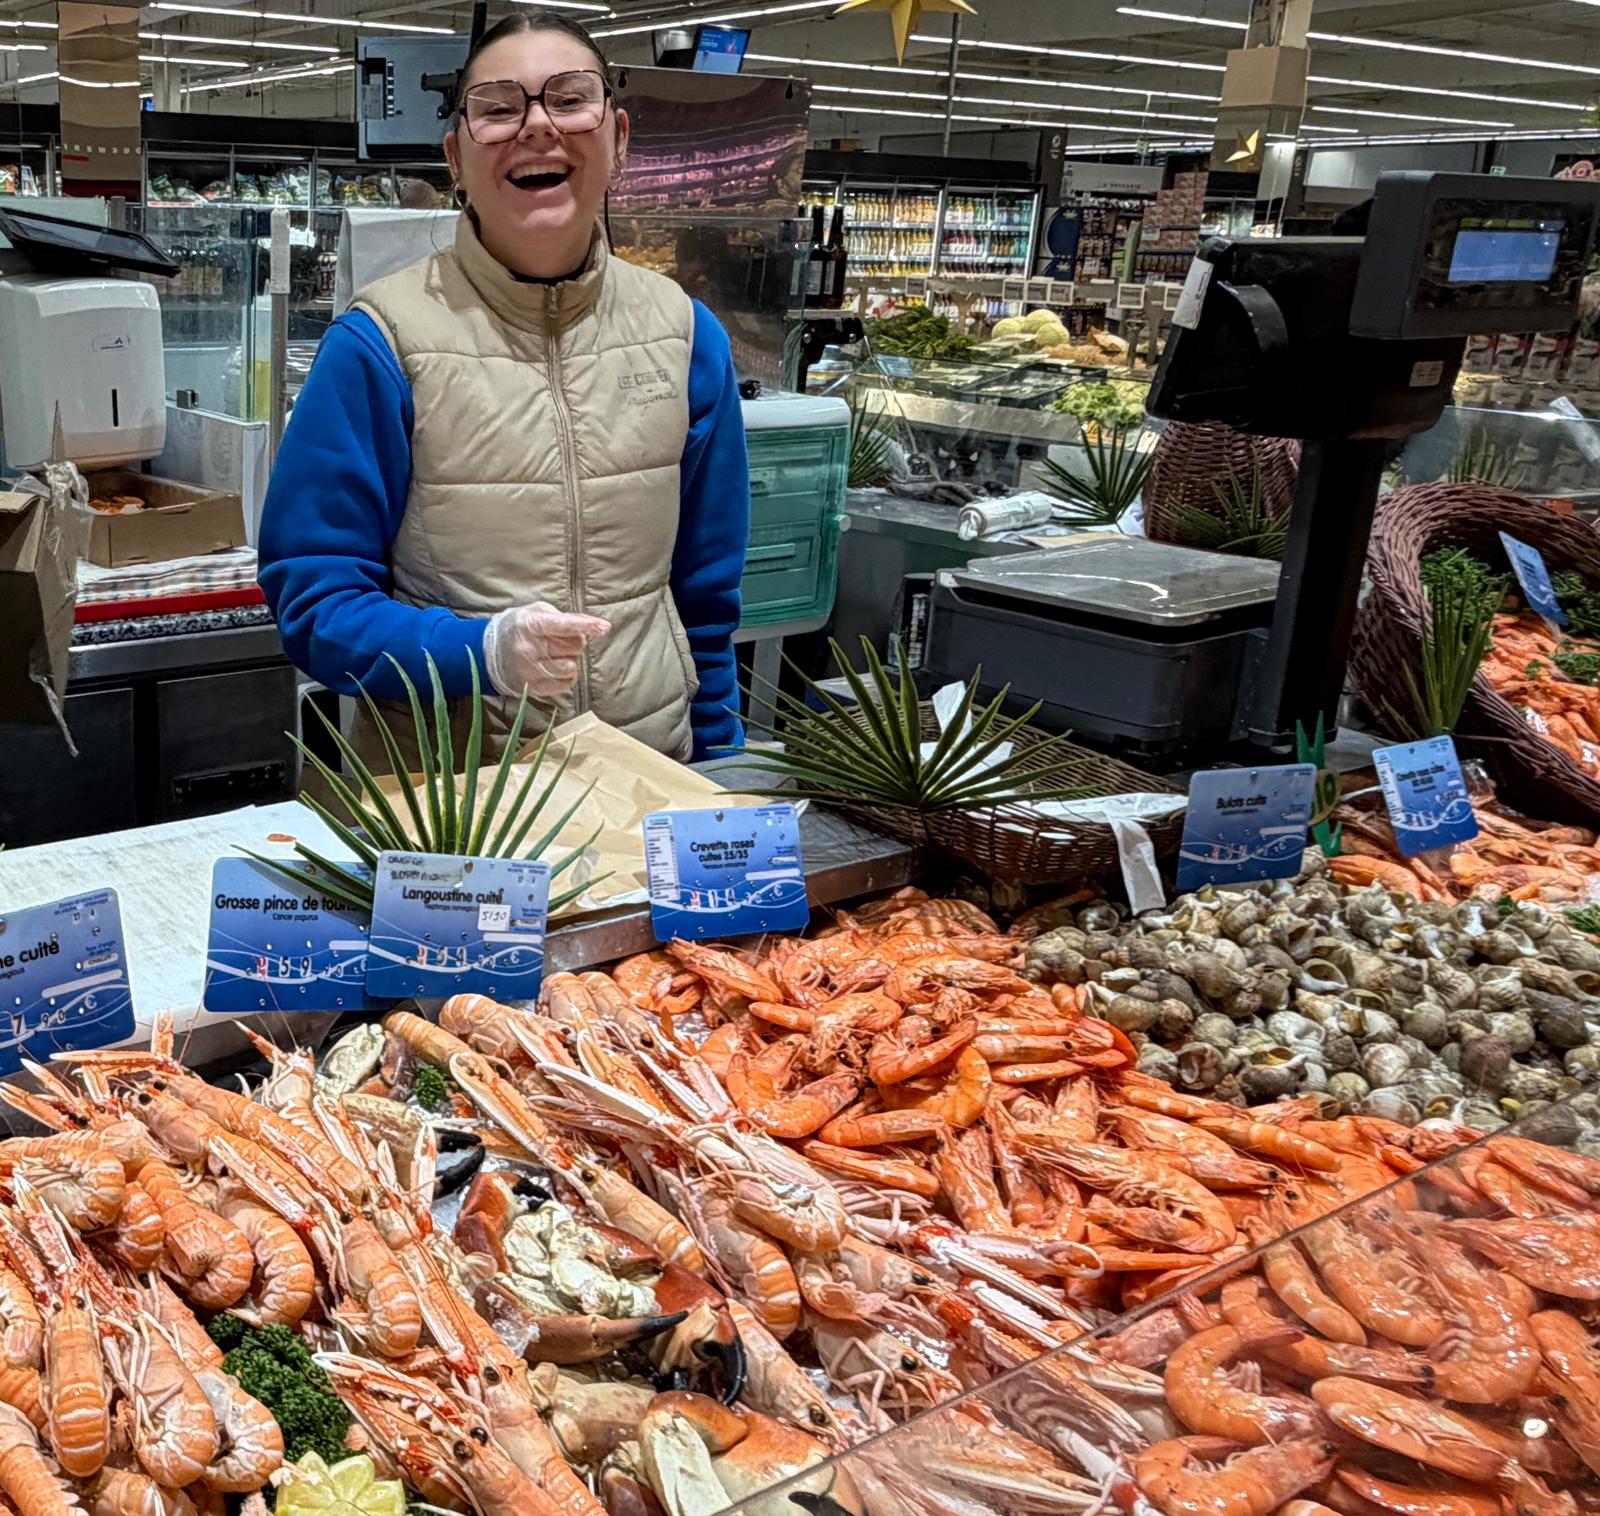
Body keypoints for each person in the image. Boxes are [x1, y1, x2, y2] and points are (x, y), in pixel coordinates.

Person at [258, 11, 750, 769]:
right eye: (497, 108)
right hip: (453, 811)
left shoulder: (686, 336)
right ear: (455, 157)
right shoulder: (381, 342)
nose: (537, 126)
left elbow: (705, 603)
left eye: (569, 99)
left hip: (650, 778)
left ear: (618, 138)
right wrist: (479, 651)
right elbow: (314, 601)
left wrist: (721, 771)